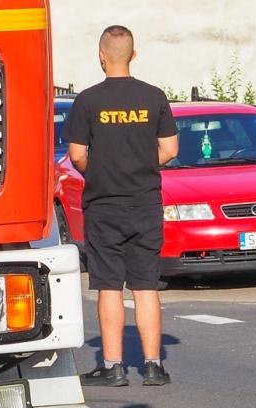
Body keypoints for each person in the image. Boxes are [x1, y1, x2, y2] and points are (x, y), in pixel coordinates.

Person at [65, 25, 179, 388]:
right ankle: (153, 365)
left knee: (109, 285)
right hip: (145, 203)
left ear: (101, 56)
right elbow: (171, 150)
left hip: (104, 204)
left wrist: (100, 170)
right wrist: (141, 165)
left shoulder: (87, 100)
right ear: (134, 54)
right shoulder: (154, 96)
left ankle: (112, 366)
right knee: (145, 284)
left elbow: (77, 154)